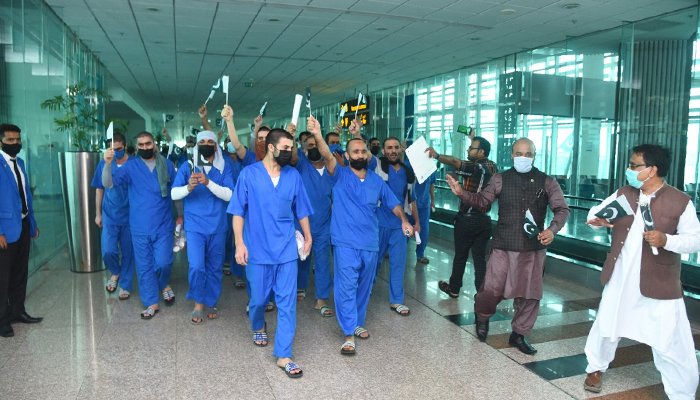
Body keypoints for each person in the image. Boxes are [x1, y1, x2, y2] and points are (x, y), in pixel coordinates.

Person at [582, 145, 700, 399]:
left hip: (659, 281)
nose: (630, 170)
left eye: (635, 166)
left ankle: (682, 392)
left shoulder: (679, 201)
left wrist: (666, 240)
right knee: (607, 324)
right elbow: (594, 213)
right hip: (621, 277)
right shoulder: (625, 193)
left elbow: (695, 240)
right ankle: (595, 368)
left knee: (670, 338)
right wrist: (597, 220)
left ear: (652, 169)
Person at [446, 137, 569, 355]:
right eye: (519, 153)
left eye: (528, 154)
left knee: (530, 295)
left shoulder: (547, 181)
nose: (523, 158)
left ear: (534, 156)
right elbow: (482, 201)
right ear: (512, 155)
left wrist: (552, 229)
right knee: (491, 289)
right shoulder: (499, 179)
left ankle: (519, 334)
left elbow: (562, 209)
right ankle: (482, 317)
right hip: (503, 245)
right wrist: (461, 193)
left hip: (533, 249)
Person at [315, 116, 412, 355]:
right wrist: (318, 134)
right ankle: (348, 333)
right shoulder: (339, 175)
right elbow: (327, 155)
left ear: (368, 155)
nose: (359, 155)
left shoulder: (377, 181)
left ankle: (357, 322)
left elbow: (394, 204)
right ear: (347, 156)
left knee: (364, 286)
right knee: (346, 285)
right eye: (354, 151)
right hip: (345, 242)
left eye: (362, 151)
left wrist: (404, 220)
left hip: (370, 242)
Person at [228, 128, 313, 379]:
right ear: (271, 147)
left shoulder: (293, 176)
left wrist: (308, 236)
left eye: (292, 148)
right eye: (285, 148)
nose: (290, 152)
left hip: (286, 250)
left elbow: (302, 210)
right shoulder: (249, 175)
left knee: (287, 303)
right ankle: (257, 324)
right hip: (258, 249)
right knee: (258, 301)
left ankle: (284, 354)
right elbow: (237, 212)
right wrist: (240, 244)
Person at [102, 131, 177, 319]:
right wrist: (107, 163)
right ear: (136, 147)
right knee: (144, 266)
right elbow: (108, 183)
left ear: (154, 144)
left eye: (148, 144)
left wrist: (181, 215)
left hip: (163, 224)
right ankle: (151, 302)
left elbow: (177, 190)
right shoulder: (131, 167)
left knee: (163, 262)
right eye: (141, 145)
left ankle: (163, 283)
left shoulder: (166, 164)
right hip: (140, 225)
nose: (145, 147)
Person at [172, 130, 234, 325]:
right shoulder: (188, 166)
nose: (207, 144)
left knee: (215, 267)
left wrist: (208, 183)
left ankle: (211, 301)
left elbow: (230, 195)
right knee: (197, 265)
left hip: (217, 225)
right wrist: (188, 188)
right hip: (195, 226)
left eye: (211, 141)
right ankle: (198, 302)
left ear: (216, 146)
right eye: (202, 141)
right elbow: (174, 194)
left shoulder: (225, 167)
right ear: (197, 145)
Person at [427, 136, 498, 297]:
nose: (468, 150)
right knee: (480, 259)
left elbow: (454, 161)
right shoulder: (493, 167)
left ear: (481, 152)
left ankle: (454, 289)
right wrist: (473, 137)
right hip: (485, 220)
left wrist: (437, 156)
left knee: (461, 256)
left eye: (471, 148)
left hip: (467, 219)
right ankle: (482, 294)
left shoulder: (475, 167)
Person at [0, 124, 41, 338]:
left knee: (19, 273)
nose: (16, 144)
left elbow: (26, 196)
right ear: (1, 142)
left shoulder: (21, 163)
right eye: (10, 141)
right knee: (3, 277)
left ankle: (18, 311)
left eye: (18, 140)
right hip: (5, 231)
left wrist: (32, 224)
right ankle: (2, 321)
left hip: (23, 225)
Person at [293, 125, 336, 317]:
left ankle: (321, 299)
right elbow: (292, 156)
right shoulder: (301, 165)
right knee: (301, 259)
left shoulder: (332, 171)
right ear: (304, 148)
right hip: (301, 224)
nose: (313, 148)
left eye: (317, 144)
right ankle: (300, 286)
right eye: (310, 145)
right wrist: (291, 135)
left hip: (324, 224)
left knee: (323, 261)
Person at [375, 137, 419, 316]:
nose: (392, 151)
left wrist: (417, 223)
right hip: (379, 223)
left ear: (400, 150)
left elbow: (412, 199)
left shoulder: (408, 172)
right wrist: (357, 133)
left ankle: (397, 300)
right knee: (372, 262)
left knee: (398, 263)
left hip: (401, 224)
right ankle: (364, 289)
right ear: (384, 151)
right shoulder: (377, 167)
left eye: (395, 148)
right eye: (388, 148)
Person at [91, 132, 134, 300]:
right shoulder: (103, 164)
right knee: (108, 250)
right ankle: (115, 272)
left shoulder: (135, 164)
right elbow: (100, 188)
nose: (116, 152)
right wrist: (97, 213)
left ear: (124, 146)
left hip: (131, 215)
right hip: (110, 214)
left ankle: (125, 284)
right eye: (112, 149)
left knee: (128, 252)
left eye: (119, 149)